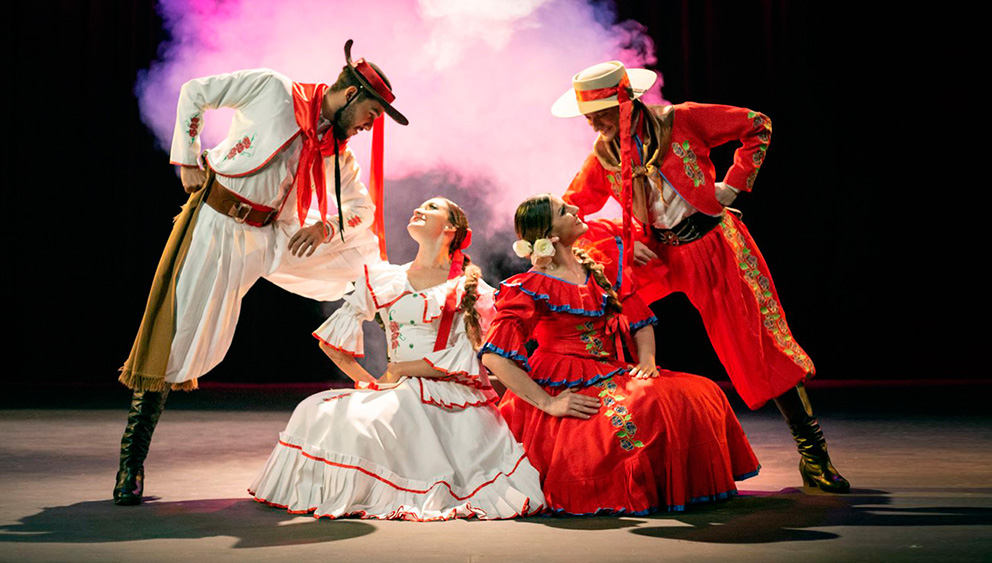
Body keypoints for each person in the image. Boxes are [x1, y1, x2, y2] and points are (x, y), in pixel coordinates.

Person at [113, 40, 409, 506]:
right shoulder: (273, 89)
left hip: (273, 235)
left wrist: (325, 226)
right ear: (351, 96)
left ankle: (400, 367)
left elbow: (360, 210)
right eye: (372, 114)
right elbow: (195, 92)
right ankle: (131, 465)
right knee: (177, 335)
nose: (371, 126)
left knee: (364, 257)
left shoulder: (336, 151)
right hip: (218, 222)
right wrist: (189, 158)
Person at [552, 61, 849, 493]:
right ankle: (610, 442)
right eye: (588, 116)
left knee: (758, 342)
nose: (595, 124)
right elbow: (570, 210)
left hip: (715, 245)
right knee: (597, 294)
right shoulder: (604, 155)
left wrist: (734, 184)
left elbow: (757, 125)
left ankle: (814, 455)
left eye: (600, 112)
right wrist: (622, 237)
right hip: (663, 253)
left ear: (626, 101)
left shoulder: (684, 119)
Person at [248, 197, 545, 521]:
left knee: (363, 424)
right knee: (313, 410)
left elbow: (470, 356)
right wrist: (371, 383)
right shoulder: (385, 279)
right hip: (401, 390)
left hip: (449, 395)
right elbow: (333, 342)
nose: (419, 209)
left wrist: (400, 370)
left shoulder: (471, 289)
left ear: (451, 229)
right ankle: (335, 493)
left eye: (431, 208)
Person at [479, 194, 759, 515]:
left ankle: (670, 490)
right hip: (565, 378)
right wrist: (549, 402)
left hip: (612, 369)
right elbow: (494, 357)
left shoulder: (597, 269)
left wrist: (647, 361)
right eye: (563, 211)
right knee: (645, 407)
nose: (575, 210)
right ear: (550, 235)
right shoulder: (530, 286)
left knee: (699, 392)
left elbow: (640, 320)